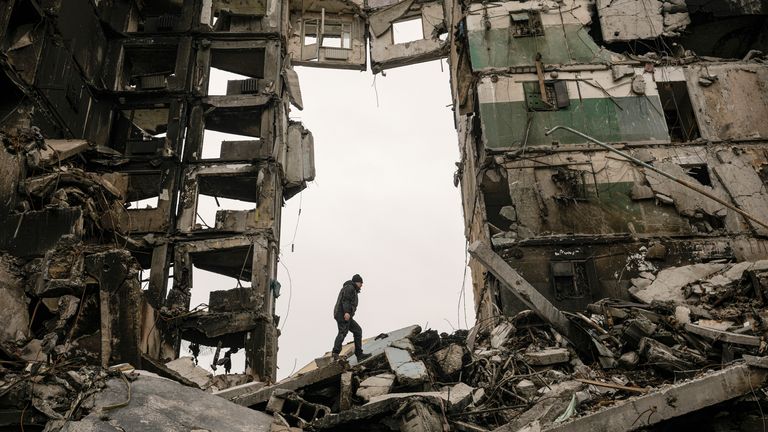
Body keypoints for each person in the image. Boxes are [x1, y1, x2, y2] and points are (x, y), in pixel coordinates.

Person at [332, 274, 371, 361]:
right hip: (343, 314)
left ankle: (359, 354)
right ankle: (335, 354)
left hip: (347, 315)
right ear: (357, 282)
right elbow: (345, 300)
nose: (362, 285)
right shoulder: (350, 288)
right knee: (343, 332)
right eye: (361, 283)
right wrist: (346, 312)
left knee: (357, 331)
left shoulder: (352, 289)